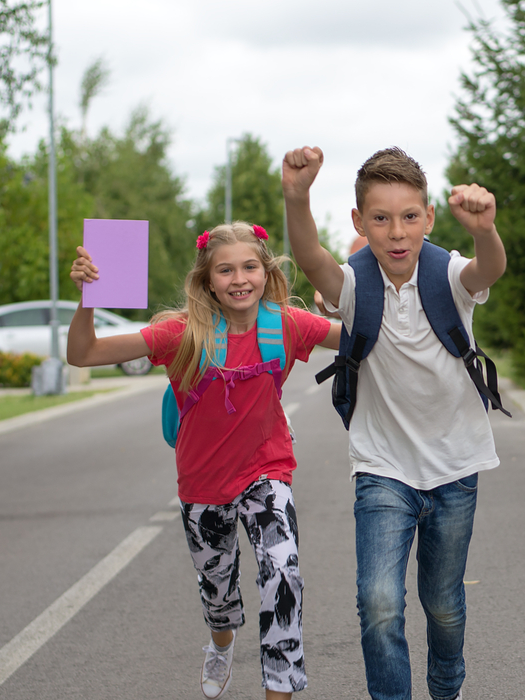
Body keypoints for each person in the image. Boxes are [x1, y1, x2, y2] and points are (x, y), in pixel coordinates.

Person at [65, 221, 340, 700]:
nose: (240, 279)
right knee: (218, 590)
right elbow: (83, 353)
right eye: (226, 269)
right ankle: (221, 640)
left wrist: (352, 298)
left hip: (266, 471)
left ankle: (280, 689)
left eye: (250, 267)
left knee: (283, 574)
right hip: (203, 486)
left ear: (265, 270)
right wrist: (88, 299)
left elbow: (365, 339)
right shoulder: (180, 334)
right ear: (207, 279)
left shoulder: (287, 324)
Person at [280, 145, 506, 700]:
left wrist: (484, 230)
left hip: (456, 466)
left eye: (409, 216)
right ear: (359, 222)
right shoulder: (354, 286)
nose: (396, 232)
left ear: (429, 217)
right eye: (380, 218)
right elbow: (311, 258)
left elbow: (489, 268)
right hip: (382, 468)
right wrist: (297, 195)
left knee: (444, 604)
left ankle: (446, 686)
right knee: (379, 603)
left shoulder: (448, 275)